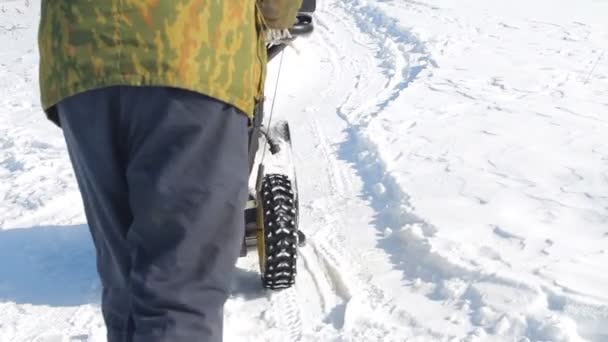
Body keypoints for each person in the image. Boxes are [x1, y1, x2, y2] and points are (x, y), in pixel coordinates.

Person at [37, 1, 301, 341]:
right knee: (178, 295)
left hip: (79, 56)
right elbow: (276, 9)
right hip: (194, 49)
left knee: (125, 286)